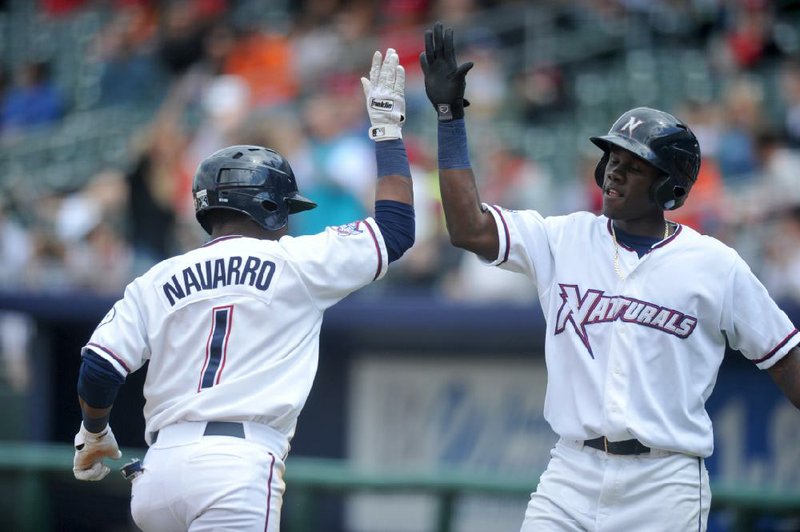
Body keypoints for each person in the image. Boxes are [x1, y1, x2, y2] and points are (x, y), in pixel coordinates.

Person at [419, 22, 800, 531]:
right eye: (612, 159)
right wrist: (449, 118)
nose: (615, 171)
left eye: (635, 165)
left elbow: (784, 358)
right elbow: (468, 228)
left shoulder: (715, 265)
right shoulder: (563, 238)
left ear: (670, 187)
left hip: (665, 482)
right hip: (571, 473)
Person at [72, 48, 413, 532]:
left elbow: (99, 368)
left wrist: (94, 429)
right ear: (272, 208)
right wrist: (387, 132)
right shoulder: (298, 261)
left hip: (158, 470)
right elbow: (396, 231)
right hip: (237, 463)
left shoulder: (156, 278)